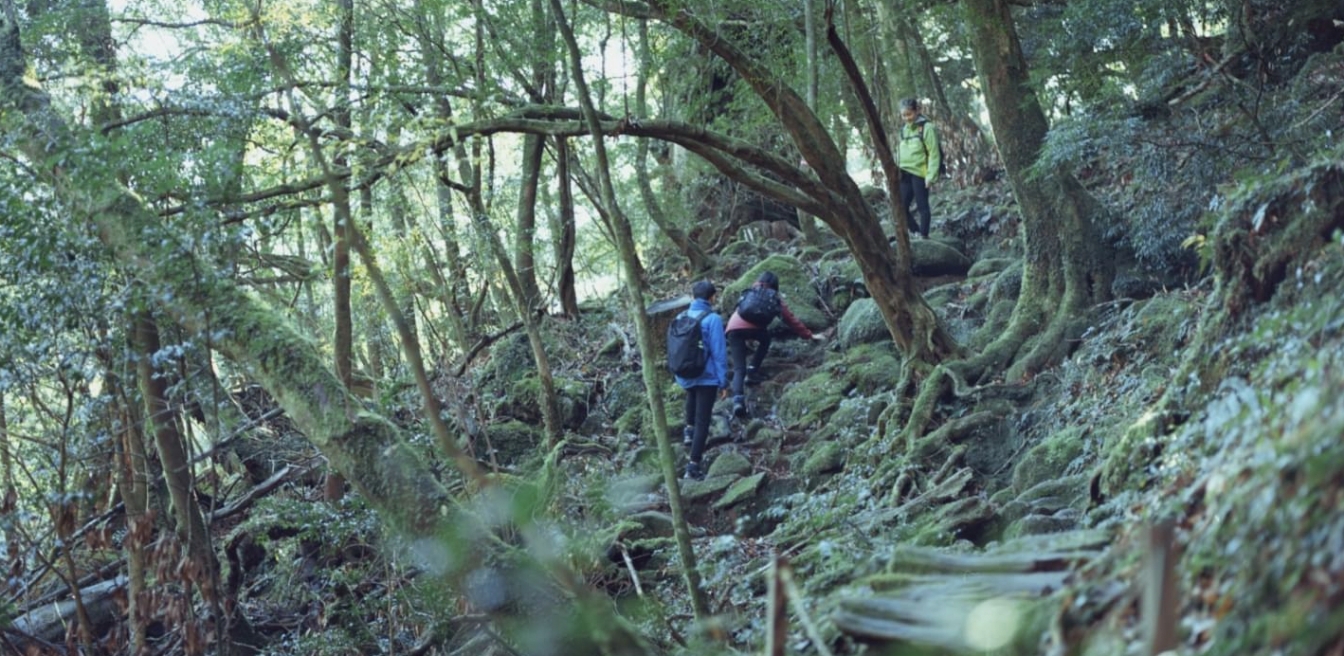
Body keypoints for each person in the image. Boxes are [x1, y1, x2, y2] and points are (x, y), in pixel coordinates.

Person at [724, 272, 824, 418]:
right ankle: (752, 371)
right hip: (756, 331)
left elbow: (738, 309)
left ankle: (738, 401)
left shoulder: (750, 292)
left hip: (733, 329)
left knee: (739, 368)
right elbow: (790, 320)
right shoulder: (774, 297)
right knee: (765, 340)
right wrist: (809, 335)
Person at [674, 280, 728, 480]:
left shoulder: (681, 316)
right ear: (712, 297)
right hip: (707, 377)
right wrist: (723, 382)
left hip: (686, 373)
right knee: (703, 422)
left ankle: (688, 432)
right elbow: (719, 353)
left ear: (693, 296)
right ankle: (693, 465)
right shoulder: (713, 319)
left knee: (691, 397)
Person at [896, 97, 943, 239]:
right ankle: (916, 232)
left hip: (921, 173)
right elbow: (900, 152)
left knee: (923, 206)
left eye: (909, 114)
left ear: (917, 111)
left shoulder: (927, 128)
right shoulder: (903, 130)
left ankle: (924, 236)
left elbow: (934, 154)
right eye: (904, 115)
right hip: (904, 173)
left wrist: (931, 176)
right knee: (901, 208)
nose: (907, 118)